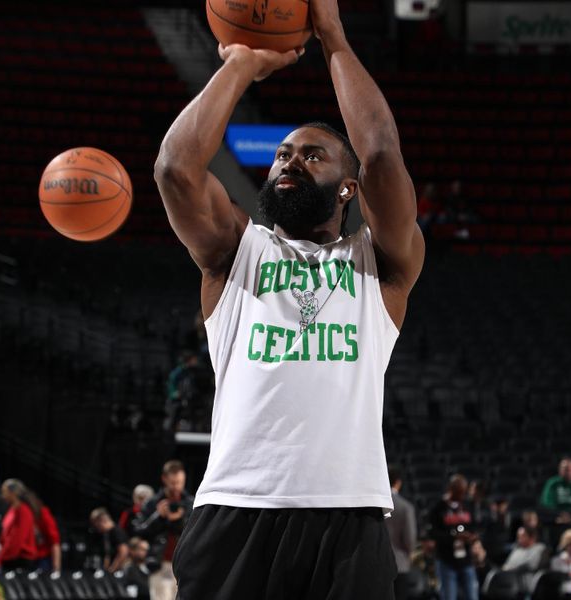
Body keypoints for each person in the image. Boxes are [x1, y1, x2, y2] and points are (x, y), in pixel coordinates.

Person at [153, 0, 424, 596]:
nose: (290, 160)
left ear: (348, 188)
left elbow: (380, 151)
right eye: (282, 153)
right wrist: (241, 64)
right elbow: (175, 167)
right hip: (234, 507)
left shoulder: (379, 265)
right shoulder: (235, 252)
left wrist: (332, 37)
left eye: (311, 154)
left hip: (348, 515)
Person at [136, 461, 193, 600]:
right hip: (159, 563)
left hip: (184, 564)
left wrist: (181, 518)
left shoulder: (191, 503)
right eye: (173, 482)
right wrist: (158, 516)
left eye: (179, 482)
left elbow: (196, 533)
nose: (176, 487)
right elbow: (139, 530)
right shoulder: (153, 503)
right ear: (164, 479)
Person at [430, 474, 479, 600]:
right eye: (459, 492)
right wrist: (454, 537)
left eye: (463, 492)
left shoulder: (468, 505)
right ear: (451, 489)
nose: (462, 495)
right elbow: (434, 534)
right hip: (447, 560)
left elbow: (475, 527)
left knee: (472, 596)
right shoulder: (439, 507)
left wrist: (471, 537)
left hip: (466, 560)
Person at [386, 465, 417, 600]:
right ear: (398, 482)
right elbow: (410, 540)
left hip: (375, 563)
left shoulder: (373, 507)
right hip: (400, 563)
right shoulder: (406, 507)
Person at [0, 479, 38, 571]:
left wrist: (1, 559)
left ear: (13, 493)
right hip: (9, 558)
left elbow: (17, 539)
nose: (2, 495)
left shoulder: (23, 511)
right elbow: (5, 535)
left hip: (19, 561)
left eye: (4, 491)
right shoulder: (12, 509)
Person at [539, 457, 571, 521]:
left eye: (570, 469)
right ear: (559, 470)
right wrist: (560, 514)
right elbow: (547, 504)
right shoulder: (552, 483)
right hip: (556, 516)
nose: (568, 472)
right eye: (565, 469)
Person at [502, 526, 548, 593]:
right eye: (518, 536)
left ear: (532, 537)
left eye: (522, 536)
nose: (519, 539)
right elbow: (507, 564)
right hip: (512, 587)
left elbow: (531, 565)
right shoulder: (517, 550)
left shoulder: (540, 548)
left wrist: (510, 569)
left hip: (528, 589)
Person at [89, 508, 129, 573]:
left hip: (121, 571)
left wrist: (112, 569)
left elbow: (123, 552)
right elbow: (108, 554)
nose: (95, 527)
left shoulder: (117, 532)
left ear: (101, 521)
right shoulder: (107, 534)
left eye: (95, 523)